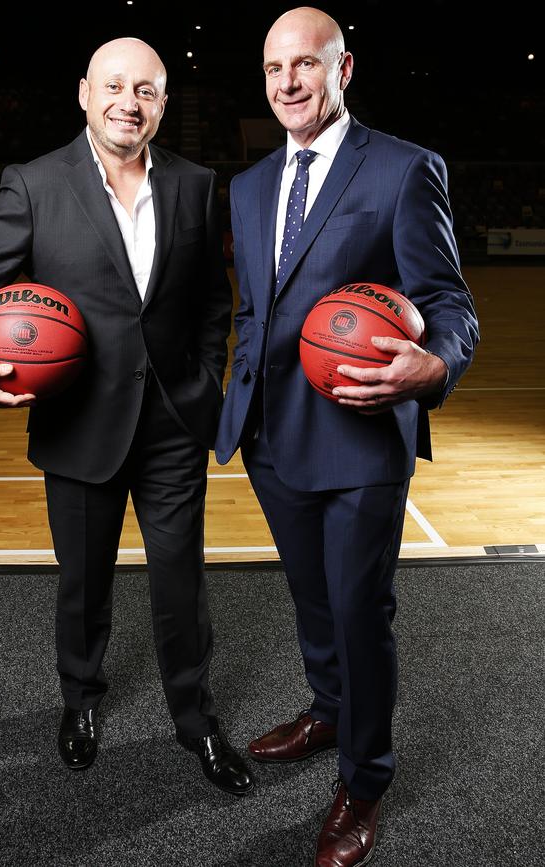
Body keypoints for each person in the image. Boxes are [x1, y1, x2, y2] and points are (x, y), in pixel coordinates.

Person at [0, 37, 253, 797]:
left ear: (163, 103)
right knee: (84, 584)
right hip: (79, 421)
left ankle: (197, 719)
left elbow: (212, 299)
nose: (128, 102)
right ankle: (80, 702)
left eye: (146, 89)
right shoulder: (36, 184)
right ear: (84, 93)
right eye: (114, 86)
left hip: (174, 419)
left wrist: (206, 375)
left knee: (182, 581)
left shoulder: (197, 183)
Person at [216, 6, 479, 862]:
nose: (288, 81)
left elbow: (449, 306)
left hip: (361, 435)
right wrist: (236, 404)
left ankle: (364, 780)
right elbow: (253, 310)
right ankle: (330, 709)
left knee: (361, 609)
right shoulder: (250, 186)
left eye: (305, 65)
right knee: (312, 597)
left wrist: (433, 366)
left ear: (343, 68)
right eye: (273, 68)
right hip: (271, 435)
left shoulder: (404, 170)